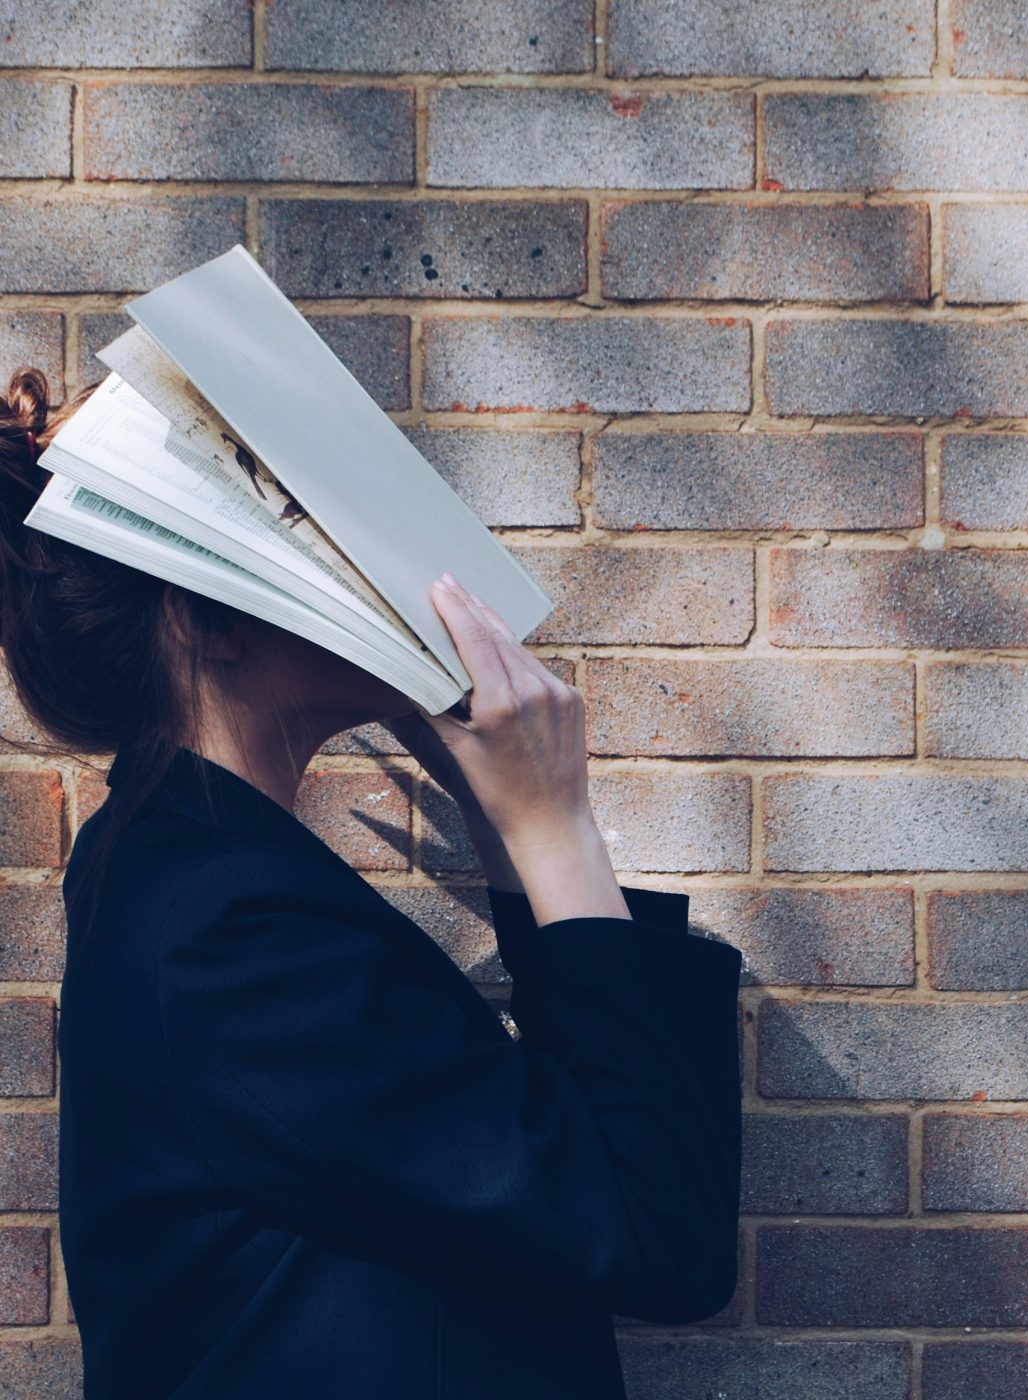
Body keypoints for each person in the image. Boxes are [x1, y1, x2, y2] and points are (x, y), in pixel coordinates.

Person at [0, 367, 744, 1398]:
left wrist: (499, 813)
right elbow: (660, 1231)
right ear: (205, 614)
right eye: (308, 523)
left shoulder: (183, 872)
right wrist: (553, 823)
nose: (367, 557)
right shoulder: (224, 933)